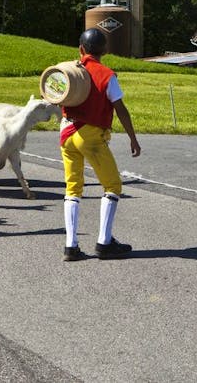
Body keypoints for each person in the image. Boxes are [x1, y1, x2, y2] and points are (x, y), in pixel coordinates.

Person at [59, 28, 142, 262]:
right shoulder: (106, 74)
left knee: (73, 188)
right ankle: (104, 242)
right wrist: (133, 138)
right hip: (91, 135)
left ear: (81, 49)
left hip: (66, 133)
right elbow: (120, 108)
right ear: (104, 50)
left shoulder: (73, 70)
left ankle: (71, 246)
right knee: (113, 185)